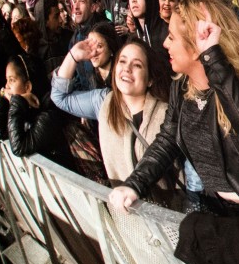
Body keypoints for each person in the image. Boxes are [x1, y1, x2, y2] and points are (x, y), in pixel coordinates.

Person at [110, 0, 239, 228]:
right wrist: (134, 184)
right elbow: (168, 138)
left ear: (196, 46)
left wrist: (213, 57)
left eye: (172, 37)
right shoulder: (181, 85)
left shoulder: (237, 81)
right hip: (222, 213)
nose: (165, 44)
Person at [52, 36, 175, 193]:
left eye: (137, 65)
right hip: (124, 211)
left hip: (166, 211)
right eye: (122, 61)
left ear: (150, 79)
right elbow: (60, 97)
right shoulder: (103, 102)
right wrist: (73, 56)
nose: (127, 68)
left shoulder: (169, 114)